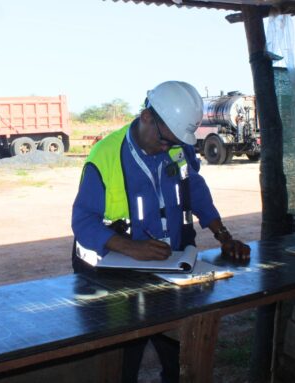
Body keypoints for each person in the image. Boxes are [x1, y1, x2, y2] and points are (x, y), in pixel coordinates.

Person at [72, 80, 250, 382]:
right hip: (118, 279)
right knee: (121, 366)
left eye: (175, 142)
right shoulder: (105, 155)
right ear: (146, 118)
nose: (169, 147)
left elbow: (195, 188)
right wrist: (131, 247)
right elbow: (82, 222)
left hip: (173, 271)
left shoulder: (176, 147)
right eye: (165, 140)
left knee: (178, 361)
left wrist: (224, 236)